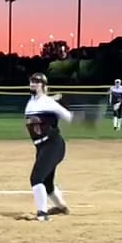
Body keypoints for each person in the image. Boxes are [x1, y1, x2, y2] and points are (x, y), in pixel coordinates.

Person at [22, 72, 73, 221]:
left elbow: (68, 117)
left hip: (53, 145)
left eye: (37, 82)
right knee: (46, 183)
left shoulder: (48, 103)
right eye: (31, 81)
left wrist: (57, 107)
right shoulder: (32, 102)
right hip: (41, 147)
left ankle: (42, 214)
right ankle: (61, 207)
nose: (33, 84)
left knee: (36, 178)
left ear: (44, 85)